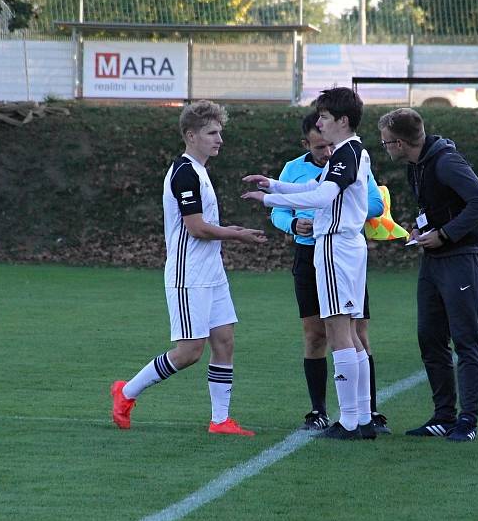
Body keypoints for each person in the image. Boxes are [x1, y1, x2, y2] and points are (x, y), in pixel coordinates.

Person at [110, 100, 267, 435]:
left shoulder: (200, 171)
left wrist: (230, 234)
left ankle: (220, 420)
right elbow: (196, 227)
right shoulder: (184, 172)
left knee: (224, 341)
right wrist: (236, 234)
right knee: (189, 352)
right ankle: (125, 393)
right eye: (212, 132)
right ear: (191, 135)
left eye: (220, 132)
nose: (219, 139)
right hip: (188, 276)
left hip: (212, 273)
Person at [242, 87, 374, 440]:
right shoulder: (348, 153)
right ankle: (362, 418)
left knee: (339, 333)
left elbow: (321, 196)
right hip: (347, 246)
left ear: (342, 121)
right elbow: (314, 185)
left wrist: (268, 199)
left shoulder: (346, 153)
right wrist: (271, 184)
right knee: (350, 334)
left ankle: (349, 422)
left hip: (334, 246)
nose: (319, 123)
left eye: (325, 117)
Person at [377, 107, 478, 442]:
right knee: (430, 336)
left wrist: (445, 234)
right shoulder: (418, 165)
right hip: (433, 261)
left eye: (386, 142)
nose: (385, 148)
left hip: (461, 258)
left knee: (465, 339)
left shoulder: (446, 162)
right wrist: (422, 228)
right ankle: (443, 415)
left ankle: (467, 421)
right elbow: (440, 205)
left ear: (400, 143)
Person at [270, 112, 390, 433]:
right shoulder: (297, 169)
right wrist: (294, 222)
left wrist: (329, 206)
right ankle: (323, 411)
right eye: (317, 145)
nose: (324, 150)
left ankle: (359, 416)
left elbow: (373, 203)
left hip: (338, 248)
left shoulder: (348, 157)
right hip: (310, 252)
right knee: (317, 333)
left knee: (352, 332)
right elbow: (282, 213)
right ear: (306, 143)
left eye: (326, 142)